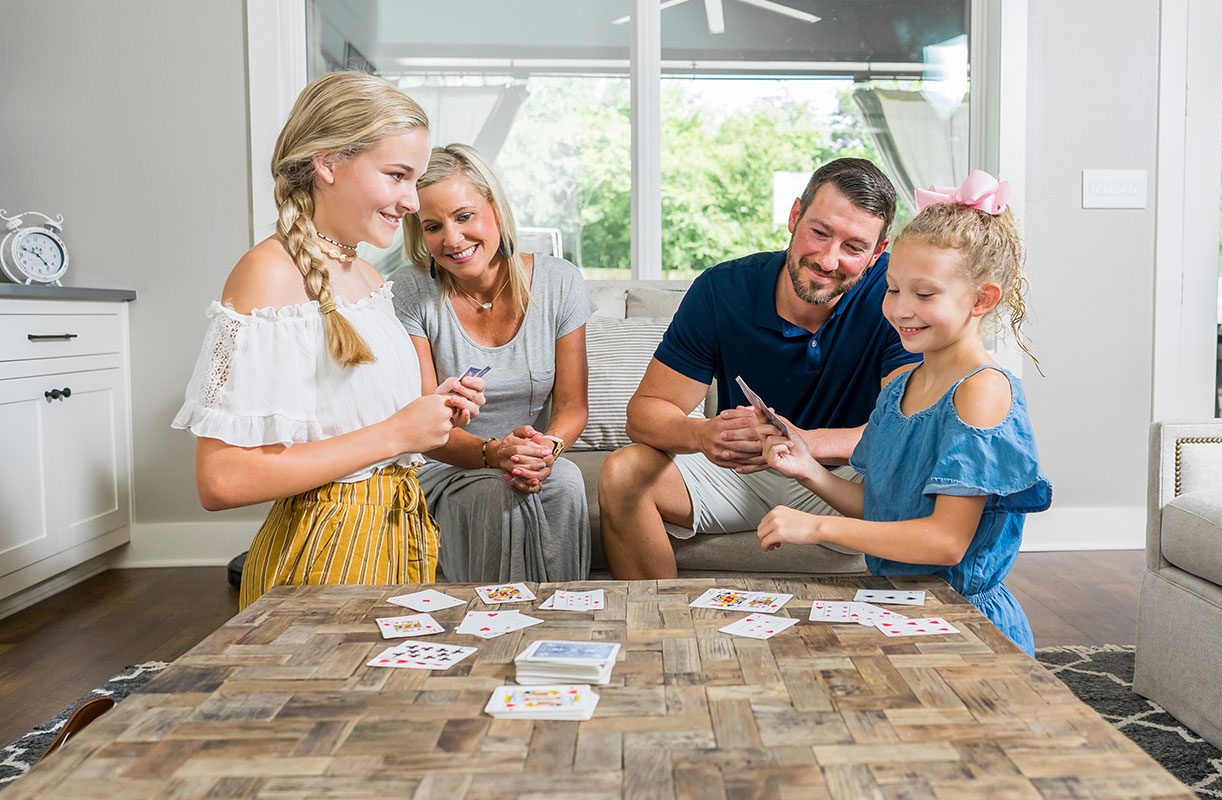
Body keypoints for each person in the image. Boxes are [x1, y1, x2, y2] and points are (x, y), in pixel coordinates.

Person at [172, 72, 484, 610]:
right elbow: (220, 480)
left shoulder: (366, 276)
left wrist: (427, 412)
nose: (412, 202)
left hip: (394, 541)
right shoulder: (267, 274)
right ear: (328, 162)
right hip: (323, 560)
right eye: (396, 176)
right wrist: (394, 432)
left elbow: (349, 419)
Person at [755, 171, 1051, 655]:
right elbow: (883, 505)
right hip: (900, 608)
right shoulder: (902, 388)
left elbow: (945, 541)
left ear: (982, 300)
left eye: (925, 294)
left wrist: (816, 526)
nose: (901, 309)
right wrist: (809, 471)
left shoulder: (982, 392)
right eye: (893, 290)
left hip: (964, 624)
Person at [600, 158, 921, 580]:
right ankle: (661, 630)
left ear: (878, 252)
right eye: (819, 233)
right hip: (744, 474)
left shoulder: (896, 296)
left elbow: (906, 430)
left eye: (853, 248)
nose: (827, 260)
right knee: (623, 473)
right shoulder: (723, 289)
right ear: (794, 216)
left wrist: (805, 443)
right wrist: (701, 434)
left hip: (846, 480)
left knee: (913, 485)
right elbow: (645, 412)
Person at [390, 143, 592, 583]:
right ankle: (491, 627)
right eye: (432, 226)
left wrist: (544, 452)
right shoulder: (408, 292)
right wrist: (494, 453)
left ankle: (564, 619)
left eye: (464, 217)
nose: (453, 239)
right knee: (499, 496)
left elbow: (573, 405)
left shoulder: (560, 282)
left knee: (567, 482)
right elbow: (425, 431)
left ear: (496, 211)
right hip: (445, 465)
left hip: (528, 456)